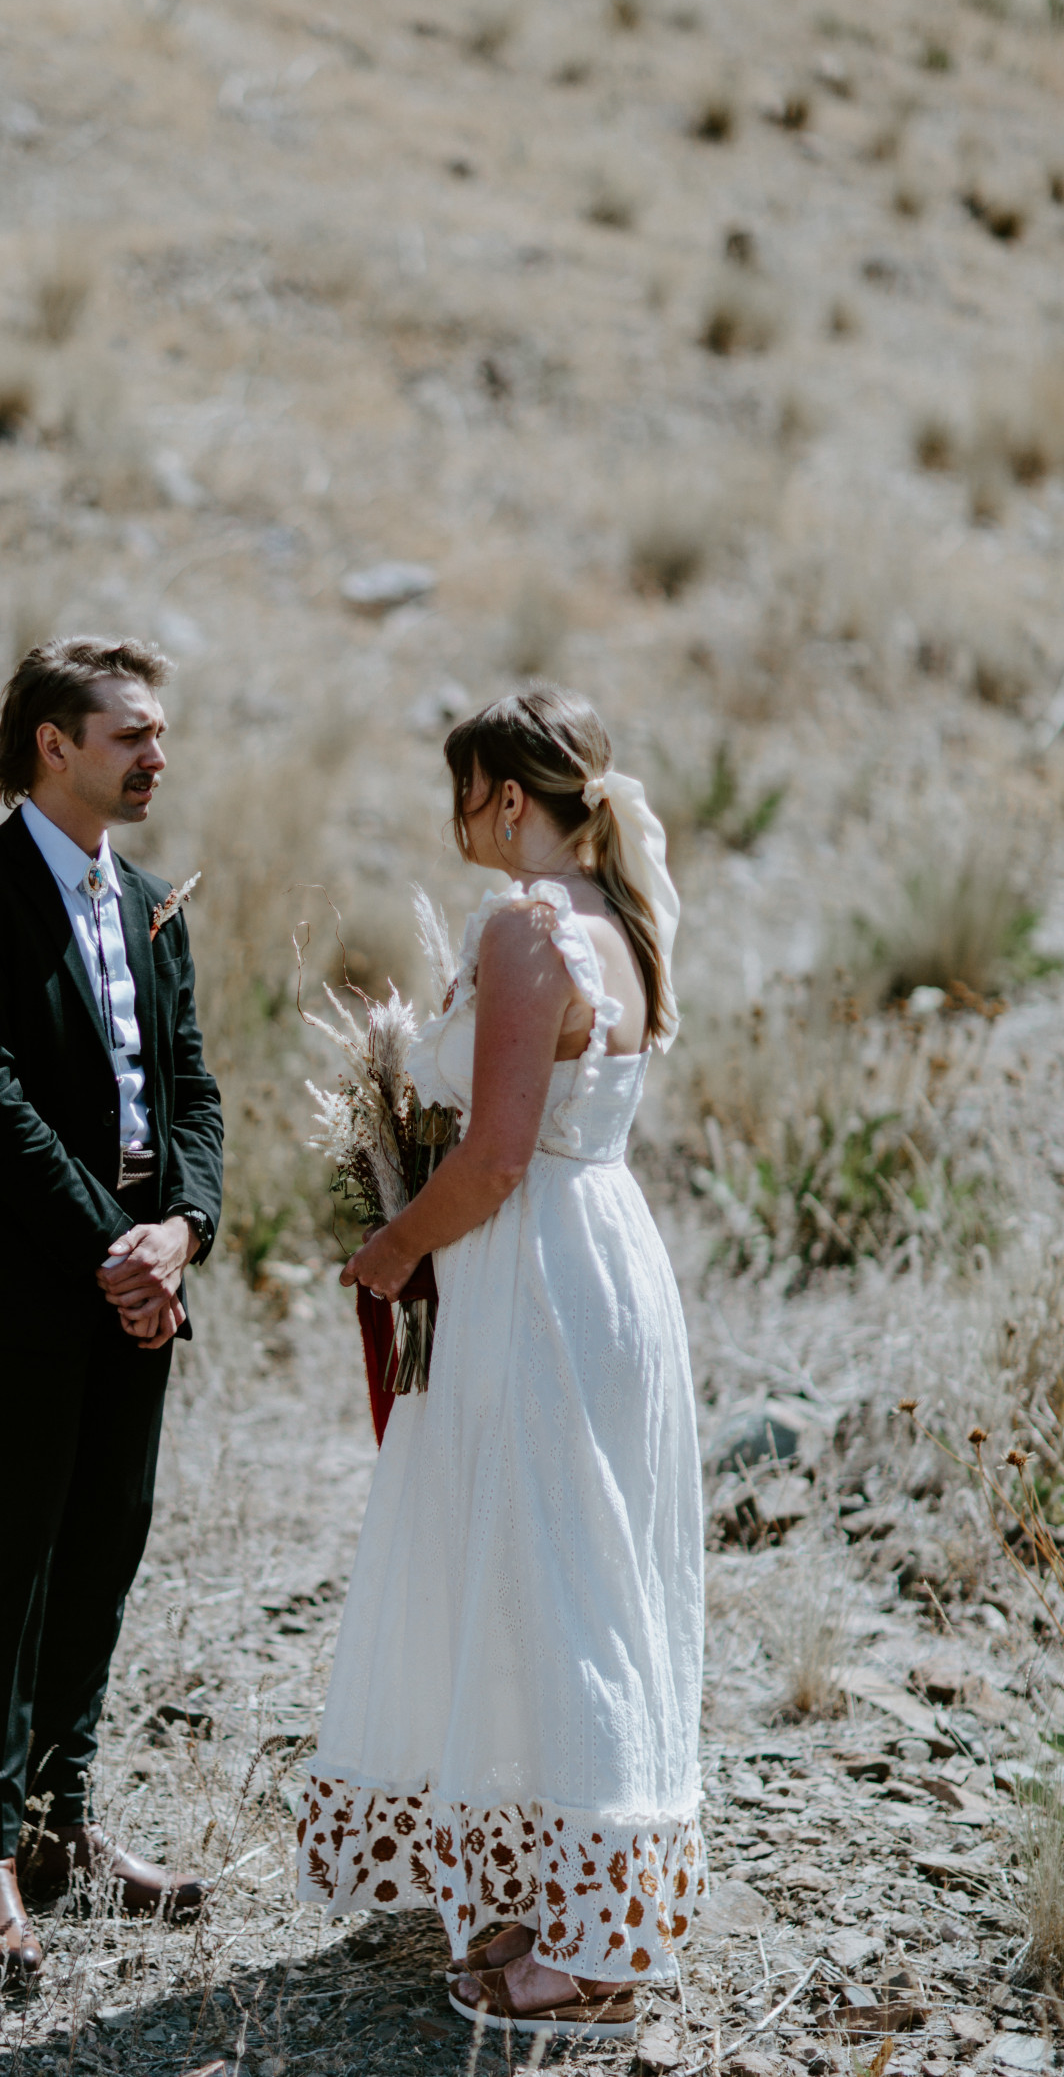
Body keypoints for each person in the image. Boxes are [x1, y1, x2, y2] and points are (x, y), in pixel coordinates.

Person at [296, 688, 705, 2043]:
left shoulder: (530, 930)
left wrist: (393, 1248)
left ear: (509, 798)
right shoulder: (616, 920)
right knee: (569, 1566)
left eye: (464, 788)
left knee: (558, 1575)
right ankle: (569, 1891)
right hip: (597, 1257)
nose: (456, 815)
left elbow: (498, 1157)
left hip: (532, 1268)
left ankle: (594, 1954)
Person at [0, 637, 223, 1979]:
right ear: (53, 743)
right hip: (36, 1286)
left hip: (139, 1281)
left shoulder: (152, 900)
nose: (156, 757)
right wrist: (118, 1248)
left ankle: (64, 1830)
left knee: (103, 1552)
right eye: (129, 735)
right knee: (15, 1559)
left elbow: (195, 1096)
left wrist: (185, 1231)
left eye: (156, 736)